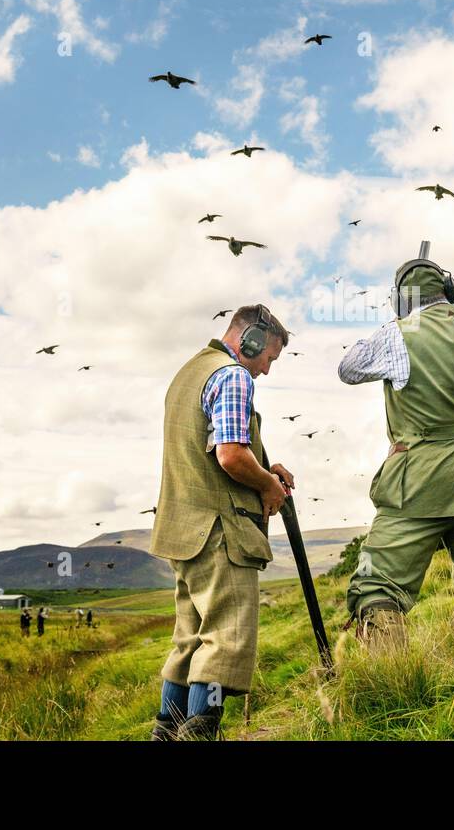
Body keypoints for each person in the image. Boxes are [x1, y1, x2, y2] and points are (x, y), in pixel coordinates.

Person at [337, 243, 454, 646]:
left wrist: (394, 326)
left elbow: (348, 369)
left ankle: (394, 686)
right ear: (447, 288)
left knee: (376, 584)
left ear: (401, 300)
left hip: (422, 478)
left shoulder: (398, 333)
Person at [148, 304, 295, 741]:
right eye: (268, 357)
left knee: (189, 638)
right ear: (249, 342)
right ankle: (199, 734)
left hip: (182, 531)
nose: (266, 370)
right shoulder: (234, 376)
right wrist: (268, 488)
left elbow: (208, 448)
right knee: (224, 638)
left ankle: (166, 730)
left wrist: (268, 469)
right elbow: (230, 455)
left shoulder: (188, 373)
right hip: (219, 533)